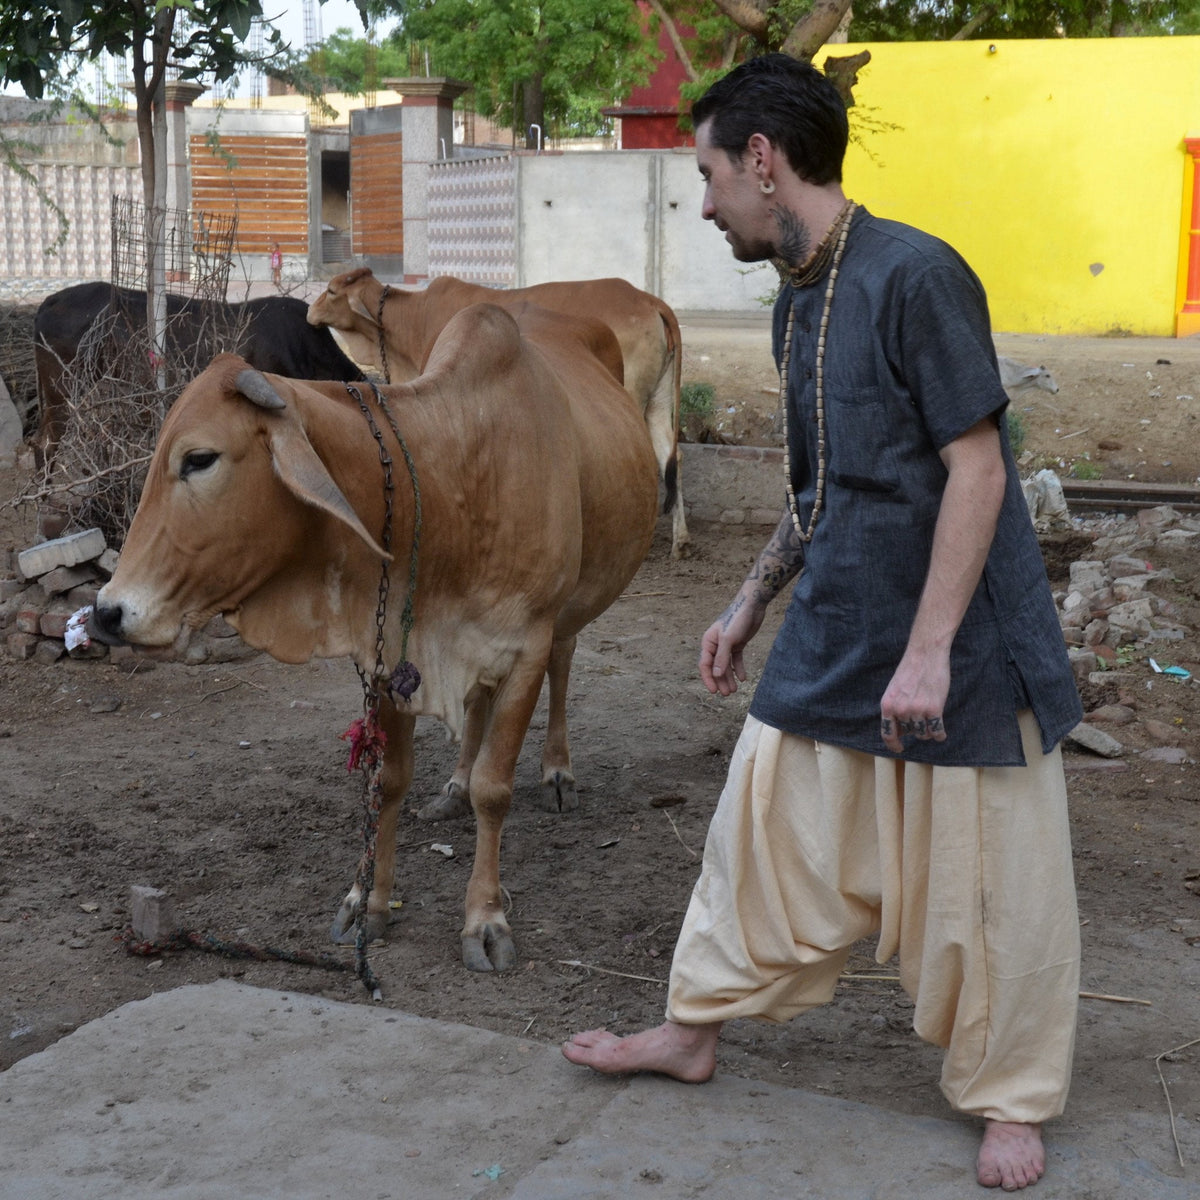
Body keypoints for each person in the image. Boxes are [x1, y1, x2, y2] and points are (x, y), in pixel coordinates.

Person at [562, 53, 1083, 1193]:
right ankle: (692, 1030)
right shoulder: (802, 294)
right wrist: (747, 605)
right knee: (756, 829)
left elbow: (979, 469)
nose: (702, 205)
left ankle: (1010, 1097)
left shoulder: (917, 276)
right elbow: (818, 488)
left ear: (764, 160)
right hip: (839, 621)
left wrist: (933, 653)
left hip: (965, 646)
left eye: (707, 176)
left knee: (985, 883)